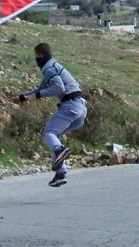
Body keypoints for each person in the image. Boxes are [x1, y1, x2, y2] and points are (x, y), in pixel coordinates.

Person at [15, 42, 87, 187]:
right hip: (81, 109)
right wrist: (23, 97)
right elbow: (40, 88)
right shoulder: (54, 66)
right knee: (55, 136)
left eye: (36, 56)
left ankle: (60, 150)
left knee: (49, 134)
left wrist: (36, 96)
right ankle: (60, 173)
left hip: (70, 105)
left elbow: (57, 87)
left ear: (40, 55)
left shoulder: (49, 69)